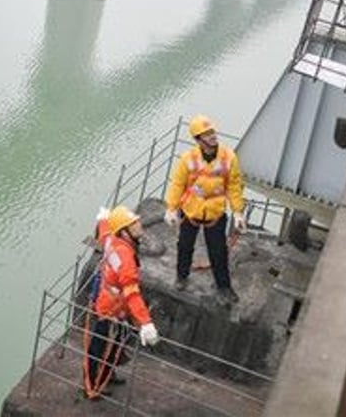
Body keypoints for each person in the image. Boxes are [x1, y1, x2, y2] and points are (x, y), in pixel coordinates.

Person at [164, 115, 245, 304]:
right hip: (191, 211)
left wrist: (238, 211)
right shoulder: (188, 159)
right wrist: (171, 208)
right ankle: (181, 276)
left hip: (215, 212)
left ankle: (224, 287)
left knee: (218, 251)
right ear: (198, 139)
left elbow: (234, 186)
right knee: (184, 246)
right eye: (206, 134)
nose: (212, 136)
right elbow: (178, 184)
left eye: (212, 132)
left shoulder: (228, 157)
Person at [83, 205, 159, 400]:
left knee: (111, 346)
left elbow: (105, 231)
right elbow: (132, 292)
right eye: (133, 224)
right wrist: (145, 322)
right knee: (103, 348)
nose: (139, 226)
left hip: (110, 304)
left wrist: (103, 219)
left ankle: (105, 376)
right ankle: (93, 387)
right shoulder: (125, 258)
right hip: (112, 310)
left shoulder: (112, 240)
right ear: (125, 232)